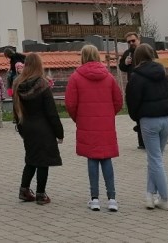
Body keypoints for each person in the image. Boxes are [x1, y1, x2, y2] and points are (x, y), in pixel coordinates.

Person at [64, 44, 123, 212]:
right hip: (106, 124)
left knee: (92, 158)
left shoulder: (76, 77)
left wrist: (78, 118)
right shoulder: (109, 77)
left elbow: (70, 103)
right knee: (107, 158)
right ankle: (112, 199)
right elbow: (118, 101)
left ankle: (94, 198)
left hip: (86, 123)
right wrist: (109, 115)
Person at [125, 43, 168, 210]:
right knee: (156, 159)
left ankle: (165, 198)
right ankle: (149, 195)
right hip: (166, 118)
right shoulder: (164, 74)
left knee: (155, 160)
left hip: (149, 120)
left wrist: (136, 118)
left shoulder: (136, 77)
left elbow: (132, 101)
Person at [13, 52, 63, 205]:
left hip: (27, 126)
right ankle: (41, 193)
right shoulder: (42, 84)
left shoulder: (17, 84)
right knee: (43, 161)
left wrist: (21, 130)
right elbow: (51, 112)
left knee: (31, 159)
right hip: (43, 128)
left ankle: (24, 189)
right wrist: (59, 132)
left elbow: (16, 111)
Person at [118, 31, 150, 149]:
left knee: (150, 113)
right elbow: (121, 67)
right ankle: (142, 142)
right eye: (129, 42)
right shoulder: (127, 53)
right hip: (134, 87)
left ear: (138, 39)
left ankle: (154, 138)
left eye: (133, 40)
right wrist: (125, 63)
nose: (131, 43)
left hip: (148, 86)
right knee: (138, 114)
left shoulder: (147, 50)